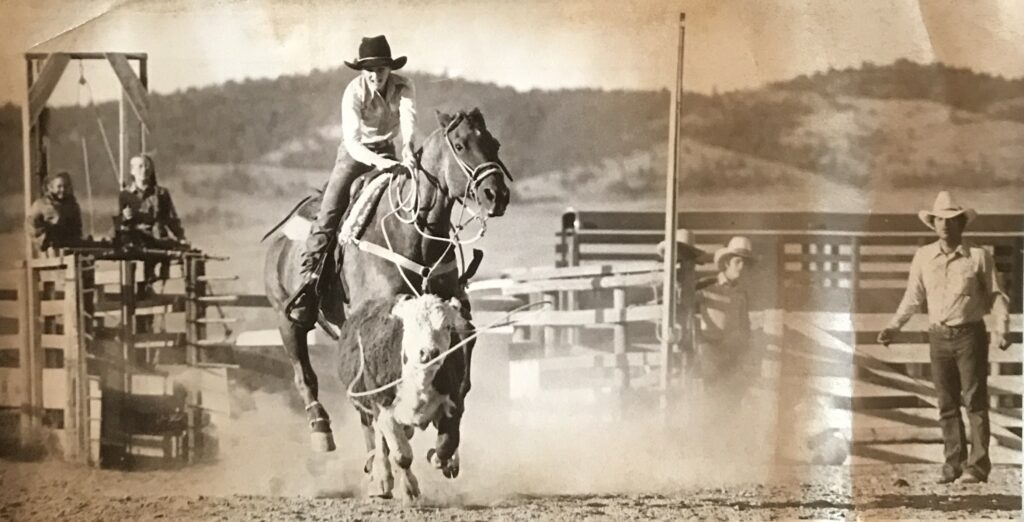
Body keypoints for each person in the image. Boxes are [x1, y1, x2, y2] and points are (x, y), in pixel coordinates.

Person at [878, 191, 1009, 484]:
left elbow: (996, 294)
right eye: (940, 220)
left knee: (974, 401)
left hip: (969, 335)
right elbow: (912, 298)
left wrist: (1002, 326)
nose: (945, 225)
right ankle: (953, 465)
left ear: (962, 223)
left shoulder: (978, 256)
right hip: (938, 336)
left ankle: (977, 467)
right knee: (946, 403)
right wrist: (894, 327)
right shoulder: (924, 256)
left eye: (952, 220)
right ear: (933, 224)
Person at [290, 35, 417, 325]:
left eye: (381, 68)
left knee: (412, 197)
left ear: (389, 68)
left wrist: (408, 149)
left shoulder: (405, 86)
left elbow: (409, 121)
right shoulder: (353, 92)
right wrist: (382, 163)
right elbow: (354, 141)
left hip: (388, 149)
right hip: (354, 156)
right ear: (362, 70)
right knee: (331, 210)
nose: (376, 75)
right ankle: (308, 283)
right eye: (369, 69)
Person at [695, 236, 759, 407]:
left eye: (745, 263)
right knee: (713, 400)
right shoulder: (706, 287)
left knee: (733, 401)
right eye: (738, 262)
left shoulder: (741, 294)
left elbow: (745, 325)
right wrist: (701, 342)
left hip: (733, 353)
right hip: (710, 352)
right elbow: (688, 313)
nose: (742, 267)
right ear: (726, 264)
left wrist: (745, 349)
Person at [118, 154, 188, 285]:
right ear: (132, 171)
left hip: (158, 237)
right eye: (139, 167)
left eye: (146, 166)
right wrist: (125, 217)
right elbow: (122, 222)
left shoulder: (161, 193)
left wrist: (181, 236)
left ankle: (157, 278)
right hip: (137, 238)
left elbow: (171, 218)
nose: (143, 170)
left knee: (175, 249)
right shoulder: (126, 195)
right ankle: (144, 282)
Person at [27, 171, 83, 254]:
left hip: (70, 248)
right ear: (51, 187)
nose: (62, 190)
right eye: (59, 186)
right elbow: (31, 225)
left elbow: (78, 228)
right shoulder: (41, 204)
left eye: (65, 186)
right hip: (49, 251)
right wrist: (44, 239)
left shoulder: (73, 205)